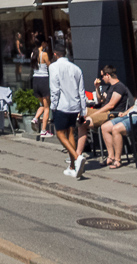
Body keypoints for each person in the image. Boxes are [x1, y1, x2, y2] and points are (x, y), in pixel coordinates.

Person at [49, 46, 89, 179]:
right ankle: (72, 166)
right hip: (75, 106)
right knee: (70, 132)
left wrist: (53, 106)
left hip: (61, 105)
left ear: (55, 54)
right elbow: (81, 91)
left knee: (60, 134)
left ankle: (77, 158)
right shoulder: (76, 68)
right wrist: (83, 110)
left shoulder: (54, 67)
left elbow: (54, 89)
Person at [30, 39, 52, 137]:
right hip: (44, 80)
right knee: (47, 107)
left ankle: (35, 118)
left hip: (35, 80)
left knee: (42, 104)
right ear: (43, 43)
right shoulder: (44, 54)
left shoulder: (32, 54)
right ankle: (43, 130)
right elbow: (50, 66)